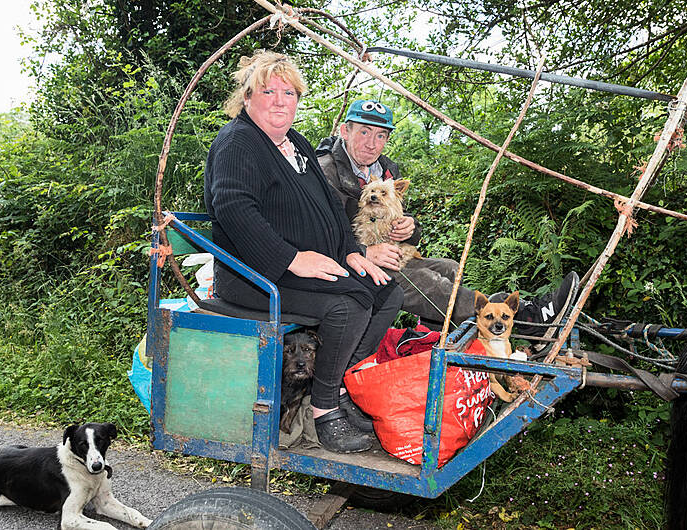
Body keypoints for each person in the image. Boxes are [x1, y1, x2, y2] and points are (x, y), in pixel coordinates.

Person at [204, 52, 402, 454]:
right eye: (268, 91)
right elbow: (234, 209)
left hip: (295, 265)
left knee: (387, 291)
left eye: (289, 92)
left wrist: (350, 251)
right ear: (247, 98)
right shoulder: (238, 142)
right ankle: (325, 409)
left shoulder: (295, 143)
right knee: (346, 305)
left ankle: (339, 385)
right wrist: (293, 259)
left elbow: (330, 205)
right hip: (253, 274)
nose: (280, 100)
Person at [316, 99, 579, 337]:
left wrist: (410, 228)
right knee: (425, 283)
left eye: (381, 135)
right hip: (348, 264)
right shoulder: (324, 171)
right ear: (345, 131)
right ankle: (522, 318)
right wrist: (364, 251)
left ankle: (431, 338)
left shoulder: (385, 170)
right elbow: (316, 233)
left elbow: (404, 220)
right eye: (364, 132)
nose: (372, 143)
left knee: (449, 268)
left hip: (391, 255)